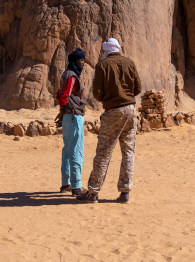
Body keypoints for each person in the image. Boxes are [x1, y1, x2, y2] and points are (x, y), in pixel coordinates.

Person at [77, 38, 141, 204]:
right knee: (128, 152)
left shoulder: (102, 65)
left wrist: (109, 98)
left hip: (113, 111)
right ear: (118, 48)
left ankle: (93, 192)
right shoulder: (130, 63)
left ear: (106, 50)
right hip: (131, 110)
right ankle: (125, 192)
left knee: (104, 152)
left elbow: (97, 93)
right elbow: (138, 88)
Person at [56, 47, 87, 196]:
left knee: (67, 149)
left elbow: (59, 93)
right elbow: (64, 96)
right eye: (80, 60)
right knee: (76, 150)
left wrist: (62, 112)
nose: (83, 63)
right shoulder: (72, 76)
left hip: (67, 117)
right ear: (74, 61)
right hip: (74, 116)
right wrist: (64, 110)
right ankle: (76, 186)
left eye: (83, 60)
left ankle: (65, 183)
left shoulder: (65, 74)